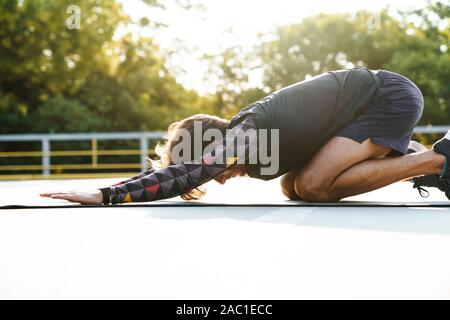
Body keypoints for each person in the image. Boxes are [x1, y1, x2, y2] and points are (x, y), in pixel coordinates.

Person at [41, 68, 450, 204]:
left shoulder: (248, 134)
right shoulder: (259, 157)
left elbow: (186, 174)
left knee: (312, 184)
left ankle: (439, 158)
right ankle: (421, 163)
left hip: (385, 96)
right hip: (359, 112)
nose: (216, 179)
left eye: (211, 169)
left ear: (214, 147)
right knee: (293, 187)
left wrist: (107, 194)